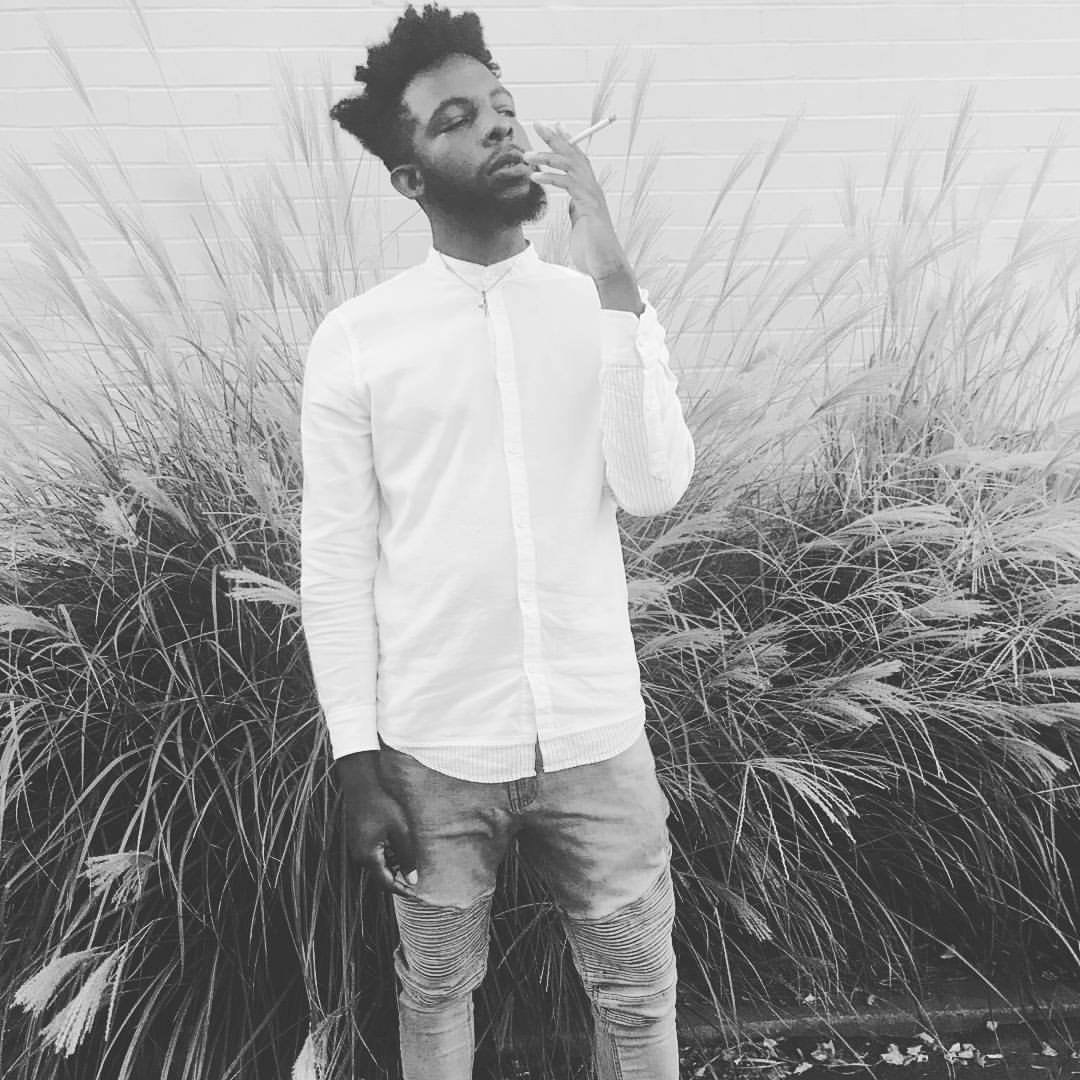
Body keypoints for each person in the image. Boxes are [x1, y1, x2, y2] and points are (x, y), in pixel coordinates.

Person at [299, 4, 696, 1078]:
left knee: (638, 997)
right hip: (433, 748)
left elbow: (654, 487)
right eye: (458, 118)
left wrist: (614, 275)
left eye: (504, 106)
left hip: (597, 736)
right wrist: (355, 761)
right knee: (434, 994)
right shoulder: (359, 340)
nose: (498, 126)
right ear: (409, 178)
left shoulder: (594, 306)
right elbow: (334, 565)